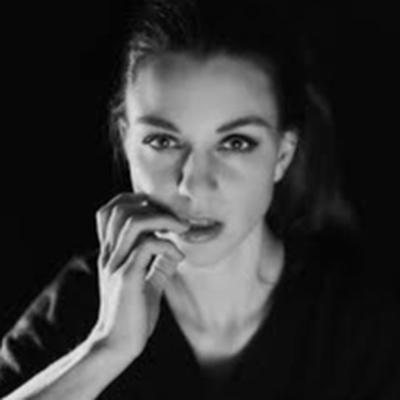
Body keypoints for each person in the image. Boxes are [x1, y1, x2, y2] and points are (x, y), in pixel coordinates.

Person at [1, 0, 398, 399]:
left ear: (282, 155)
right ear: (126, 140)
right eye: (163, 140)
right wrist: (105, 350)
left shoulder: (361, 325)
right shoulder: (76, 308)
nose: (195, 185)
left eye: (235, 142)